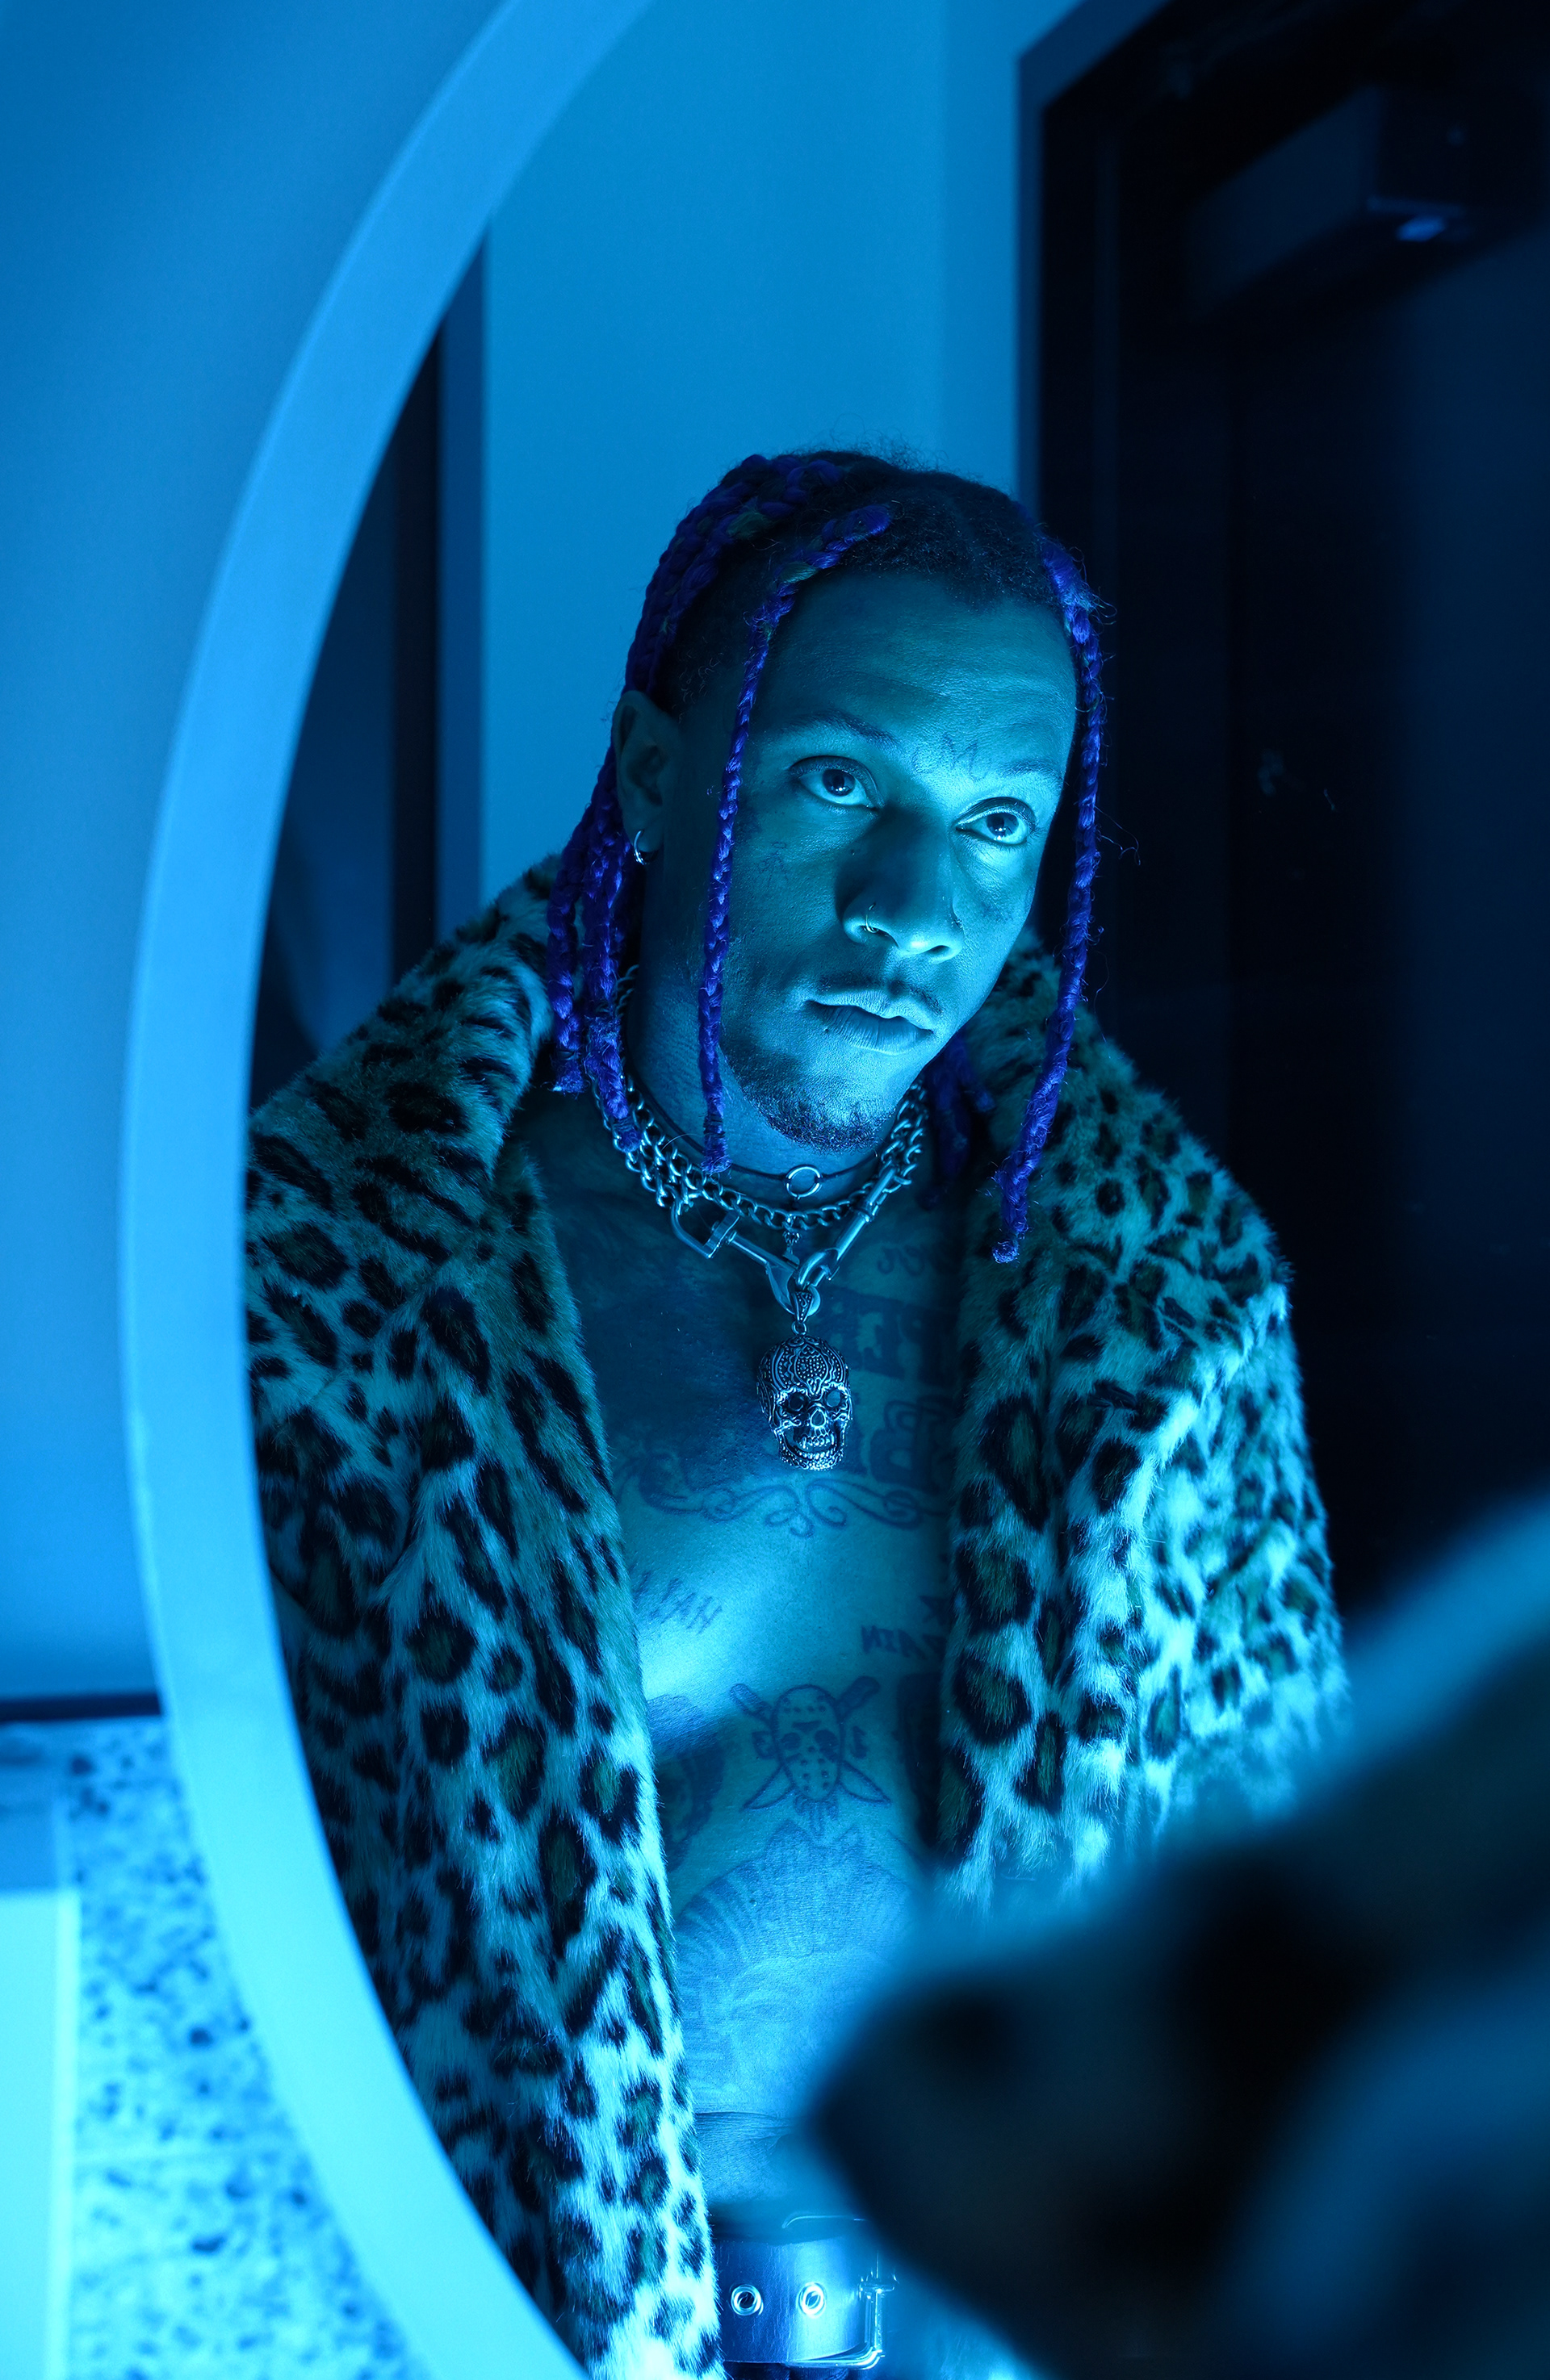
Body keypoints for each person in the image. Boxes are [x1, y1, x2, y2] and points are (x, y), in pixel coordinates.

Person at [245, 450, 1346, 2380]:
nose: (917, 906)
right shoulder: (349, 1293)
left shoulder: (1167, 1323)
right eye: (842, 782)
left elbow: (1291, 1960)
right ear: (655, 772)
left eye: (996, 822)